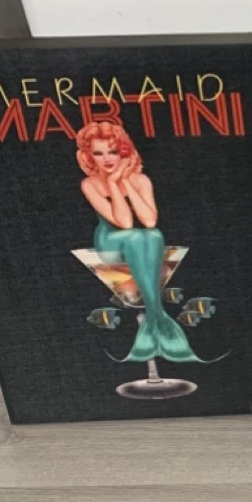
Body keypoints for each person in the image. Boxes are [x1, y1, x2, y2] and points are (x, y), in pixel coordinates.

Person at [76, 118, 199, 363]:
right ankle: (158, 315)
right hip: (109, 243)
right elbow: (124, 223)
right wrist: (113, 182)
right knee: (136, 235)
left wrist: (125, 181)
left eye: (113, 151)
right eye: (98, 153)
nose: (107, 159)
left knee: (153, 234)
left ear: (124, 151)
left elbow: (150, 221)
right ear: (89, 157)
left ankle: (152, 322)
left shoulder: (141, 180)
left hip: (141, 243)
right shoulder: (89, 184)